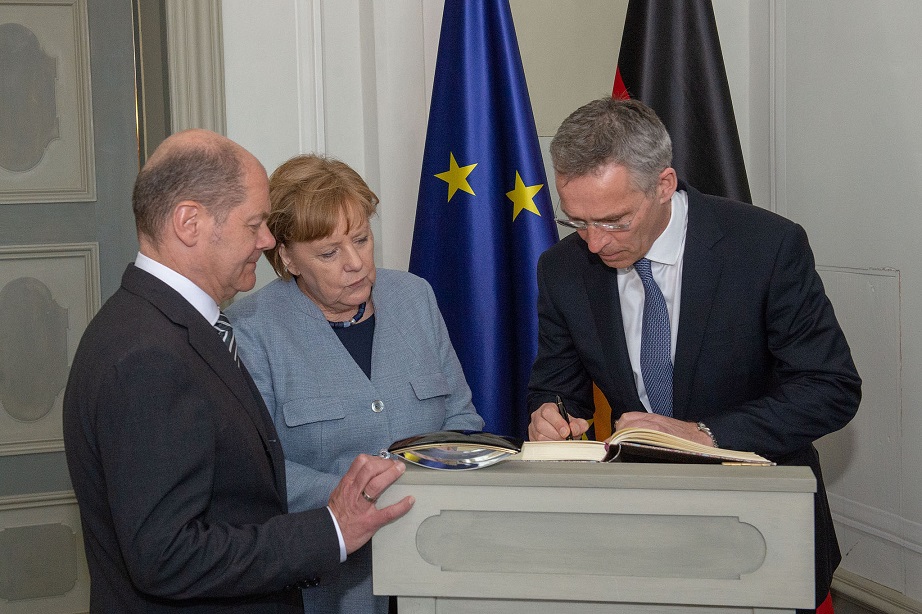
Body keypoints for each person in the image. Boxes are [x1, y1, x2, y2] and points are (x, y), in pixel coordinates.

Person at [526, 98, 860, 613]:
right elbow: (557, 384)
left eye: (614, 221)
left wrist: (706, 435)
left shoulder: (766, 247)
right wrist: (553, 414)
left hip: (763, 524)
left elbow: (830, 389)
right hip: (638, 535)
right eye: (577, 222)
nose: (593, 244)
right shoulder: (562, 269)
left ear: (664, 185)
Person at [63, 130, 414, 613]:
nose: (268, 241)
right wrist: (330, 529)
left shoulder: (166, 327)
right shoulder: (148, 354)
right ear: (189, 223)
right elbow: (166, 555)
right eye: (254, 224)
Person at [226, 153, 484, 614]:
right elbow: (258, 473)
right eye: (328, 252)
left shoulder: (414, 296)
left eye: (362, 239)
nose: (356, 263)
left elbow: (461, 420)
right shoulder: (252, 328)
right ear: (286, 256)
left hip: (435, 566)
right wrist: (356, 496)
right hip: (328, 584)